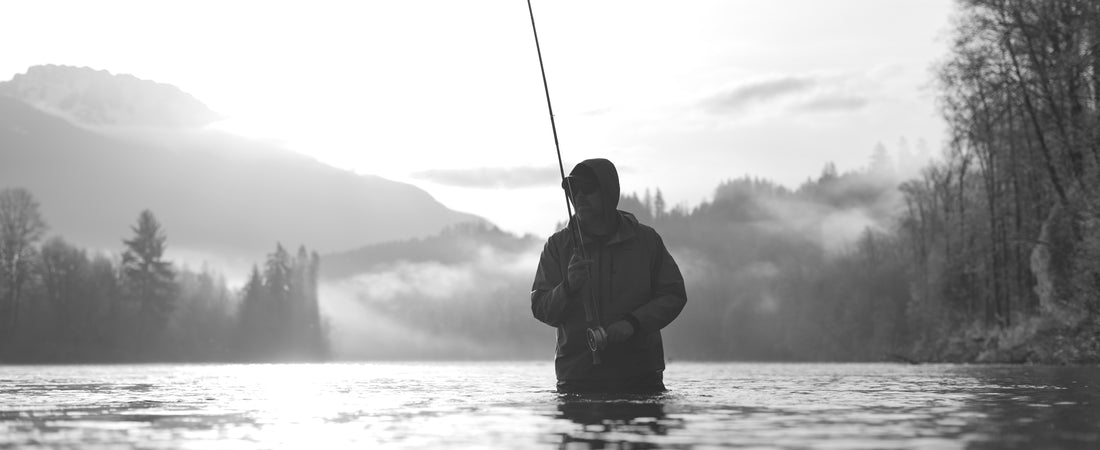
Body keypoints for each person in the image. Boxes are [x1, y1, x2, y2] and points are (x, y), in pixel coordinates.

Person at [531, 158, 687, 394]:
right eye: (574, 190)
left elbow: (673, 294)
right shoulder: (557, 246)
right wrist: (568, 287)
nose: (580, 196)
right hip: (577, 379)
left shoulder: (646, 241)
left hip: (641, 378)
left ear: (608, 192)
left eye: (588, 189)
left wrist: (633, 324)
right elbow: (540, 307)